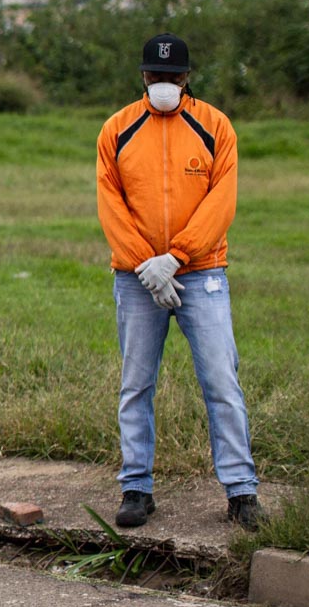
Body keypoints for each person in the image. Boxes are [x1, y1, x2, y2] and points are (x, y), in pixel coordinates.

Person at [96, 34, 262, 530]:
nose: (162, 83)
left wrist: (177, 257)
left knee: (221, 382)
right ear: (142, 76)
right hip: (136, 277)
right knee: (135, 384)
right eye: (154, 75)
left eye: (171, 76)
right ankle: (136, 488)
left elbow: (221, 202)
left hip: (202, 272)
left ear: (187, 78)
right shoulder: (117, 129)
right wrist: (146, 263)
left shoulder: (215, 126)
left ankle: (241, 491)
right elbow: (111, 204)